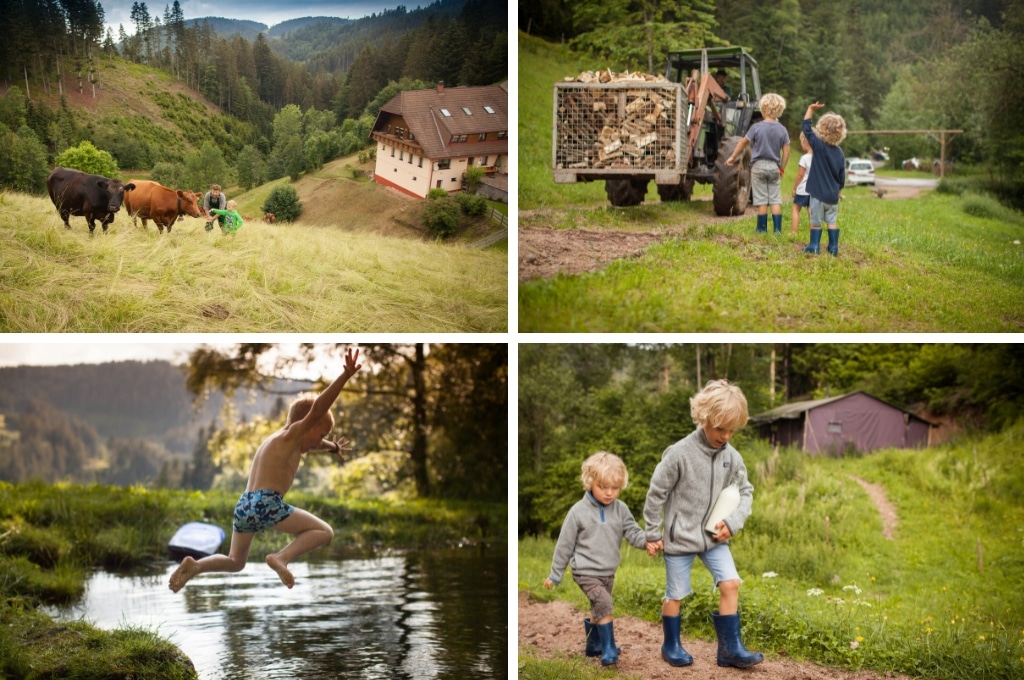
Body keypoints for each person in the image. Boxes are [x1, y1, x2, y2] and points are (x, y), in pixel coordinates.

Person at [169, 348, 363, 593]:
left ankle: (195, 566)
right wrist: (344, 376)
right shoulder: (292, 434)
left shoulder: (279, 440)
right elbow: (317, 410)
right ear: (305, 425)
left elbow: (313, 443)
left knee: (235, 562)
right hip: (266, 503)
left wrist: (332, 446)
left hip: (244, 505)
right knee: (324, 531)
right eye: (321, 433)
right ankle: (281, 557)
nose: (320, 440)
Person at [643, 379, 763, 669]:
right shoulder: (679, 453)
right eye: (721, 428)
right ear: (704, 418)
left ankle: (729, 650)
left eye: (732, 429)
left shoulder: (732, 457)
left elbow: (745, 491)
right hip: (679, 539)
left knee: (731, 583)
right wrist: (652, 532)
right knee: (676, 594)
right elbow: (655, 494)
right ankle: (671, 645)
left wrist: (732, 523)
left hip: (714, 538)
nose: (726, 435)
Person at [544, 452, 648, 666]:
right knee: (604, 603)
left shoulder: (621, 509)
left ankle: (593, 646)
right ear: (590, 482)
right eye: (603, 487)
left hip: (608, 572)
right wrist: (555, 575)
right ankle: (609, 648)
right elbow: (564, 545)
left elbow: (633, 532)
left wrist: (649, 541)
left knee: (599, 609)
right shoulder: (578, 512)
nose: (610, 493)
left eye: (615, 488)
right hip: (585, 572)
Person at [725, 93, 790, 234]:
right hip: (774, 167)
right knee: (775, 199)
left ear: (763, 110)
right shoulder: (782, 129)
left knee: (761, 200)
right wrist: (782, 168)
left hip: (758, 167)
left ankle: (762, 229)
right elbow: (786, 151)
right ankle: (777, 230)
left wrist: (733, 157)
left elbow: (743, 142)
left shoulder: (756, 127)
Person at [801, 102, 847, 255]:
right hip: (832, 197)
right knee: (831, 222)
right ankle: (833, 247)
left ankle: (814, 246)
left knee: (816, 222)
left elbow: (806, 128)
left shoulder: (818, 146)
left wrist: (810, 110)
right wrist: (839, 190)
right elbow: (842, 176)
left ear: (821, 129)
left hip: (818, 196)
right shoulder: (840, 153)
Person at [791, 132, 813, 234]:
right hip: (814, 190)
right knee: (811, 210)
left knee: (796, 208)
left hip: (803, 189)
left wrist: (795, 188)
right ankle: (813, 232)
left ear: (805, 141)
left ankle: (794, 232)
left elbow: (800, 175)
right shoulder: (819, 158)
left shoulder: (804, 158)